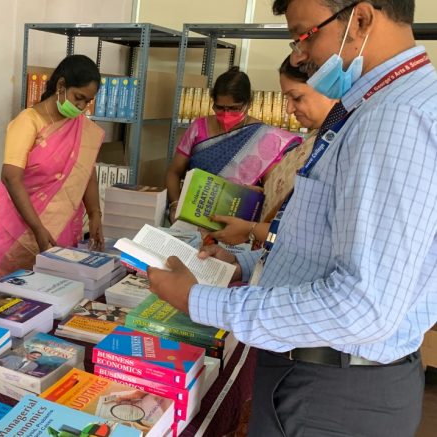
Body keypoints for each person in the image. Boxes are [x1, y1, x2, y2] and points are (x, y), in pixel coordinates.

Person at [148, 1, 436, 435]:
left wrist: (198, 301)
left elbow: (362, 306)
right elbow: (326, 246)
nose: (300, 56)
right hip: (327, 376)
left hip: (333, 391)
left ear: (359, 19)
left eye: (304, 35)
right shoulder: (379, 108)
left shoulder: (393, 119)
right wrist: (244, 263)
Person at [0, 55, 105, 278]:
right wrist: (38, 229)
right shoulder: (28, 121)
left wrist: (94, 213)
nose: (81, 107)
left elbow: (86, 171)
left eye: (87, 102)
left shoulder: (80, 127)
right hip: (22, 231)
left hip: (62, 231)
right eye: (78, 98)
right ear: (61, 85)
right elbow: (11, 178)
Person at [209, 56, 336, 245]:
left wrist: (251, 230)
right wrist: (261, 195)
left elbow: (309, 232)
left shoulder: (337, 147)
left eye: (297, 97)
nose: (288, 109)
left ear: (330, 89)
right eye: (286, 98)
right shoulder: (317, 135)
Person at [166, 67, 302, 222]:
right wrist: (175, 204)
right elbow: (174, 172)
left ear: (248, 103)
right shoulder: (198, 127)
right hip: (191, 217)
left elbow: (270, 192)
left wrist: (252, 193)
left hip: (236, 224)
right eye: (220, 107)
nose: (226, 114)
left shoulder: (265, 137)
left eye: (234, 108)